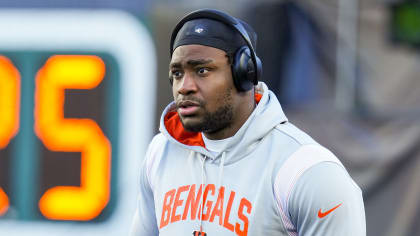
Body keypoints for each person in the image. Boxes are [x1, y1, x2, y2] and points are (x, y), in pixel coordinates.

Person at [130, 8, 366, 236]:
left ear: (245, 73)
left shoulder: (307, 171)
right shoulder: (160, 153)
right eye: (178, 73)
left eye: (202, 70)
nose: (184, 87)